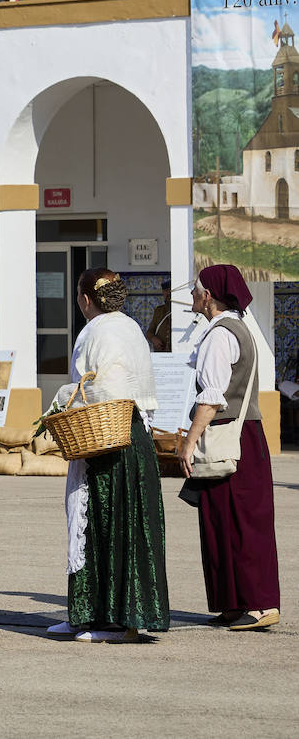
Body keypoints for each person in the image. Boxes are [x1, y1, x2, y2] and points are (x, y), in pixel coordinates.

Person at [46, 270, 169, 644]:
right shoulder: (131, 326)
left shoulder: (93, 331)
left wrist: (59, 399)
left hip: (106, 439)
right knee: (126, 525)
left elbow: (94, 387)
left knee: (105, 526)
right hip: (136, 435)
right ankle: (99, 615)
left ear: (85, 299)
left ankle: (110, 620)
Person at [177, 264, 280, 631]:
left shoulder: (220, 335)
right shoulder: (239, 328)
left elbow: (212, 398)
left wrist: (189, 441)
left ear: (209, 297)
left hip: (228, 438)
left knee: (240, 523)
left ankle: (259, 603)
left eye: (196, 291)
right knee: (223, 520)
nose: (192, 296)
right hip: (244, 435)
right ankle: (234, 602)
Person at [147, 282, 174, 351]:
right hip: (161, 351)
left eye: (170, 291)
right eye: (165, 291)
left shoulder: (180, 310)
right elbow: (149, 332)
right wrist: (154, 339)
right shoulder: (158, 310)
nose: (168, 294)